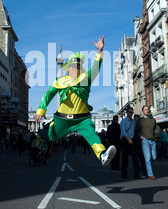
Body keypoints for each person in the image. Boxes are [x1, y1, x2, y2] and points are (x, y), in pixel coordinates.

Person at [34, 36, 116, 166]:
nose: (74, 69)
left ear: (80, 68)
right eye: (72, 66)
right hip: (63, 119)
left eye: (77, 66)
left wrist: (99, 51)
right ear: (67, 69)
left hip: (82, 118)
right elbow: (48, 94)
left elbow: (96, 68)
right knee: (53, 135)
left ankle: (102, 155)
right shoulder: (60, 81)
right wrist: (41, 110)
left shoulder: (86, 79)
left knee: (91, 133)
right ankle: (51, 126)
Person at [120, 107, 144, 179]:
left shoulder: (133, 122)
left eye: (132, 112)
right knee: (125, 158)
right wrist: (128, 139)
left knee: (135, 158)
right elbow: (123, 132)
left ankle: (137, 174)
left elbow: (137, 131)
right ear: (127, 113)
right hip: (126, 141)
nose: (131, 114)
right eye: (130, 112)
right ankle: (124, 173)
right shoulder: (123, 121)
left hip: (133, 141)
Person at [135, 106, 158, 180]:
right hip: (145, 141)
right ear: (142, 111)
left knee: (154, 157)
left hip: (152, 140)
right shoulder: (140, 120)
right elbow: (137, 130)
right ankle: (150, 174)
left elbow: (156, 129)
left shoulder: (153, 120)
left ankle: (144, 168)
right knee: (147, 158)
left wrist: (156, 136)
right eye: (145, 110)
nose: (147, 111)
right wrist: (141, 137)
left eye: (148, 110)